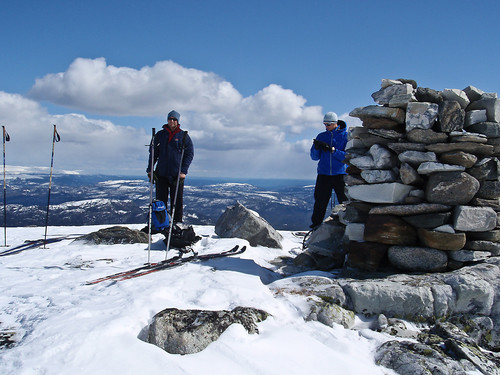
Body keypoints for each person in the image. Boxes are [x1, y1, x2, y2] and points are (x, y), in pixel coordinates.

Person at [147, 110, 194, 223]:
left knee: (177, 202)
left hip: (176, 175)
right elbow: (153, 153)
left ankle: (177, 224)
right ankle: (161, 223)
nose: (172, 121)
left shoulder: (183, 136)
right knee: (160, 201)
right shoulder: (160, 135)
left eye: (174, 119)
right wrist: (150, 170)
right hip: (161, 173)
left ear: (178, 121)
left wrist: (183, 171)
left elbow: (189, 154)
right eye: (170, 119)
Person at [310, 112, 348, 229]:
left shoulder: (345, 136)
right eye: (325, 124)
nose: (326, 127)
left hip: (340, 174)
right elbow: (314, 157)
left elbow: (348, 156)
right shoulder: (321, 136)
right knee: (320, 202)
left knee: (345, 201)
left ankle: (348, 225)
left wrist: (332, 150)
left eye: (329, 124)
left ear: (336, 123)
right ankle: (315, 226)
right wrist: (316, 148)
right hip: (324, 174)